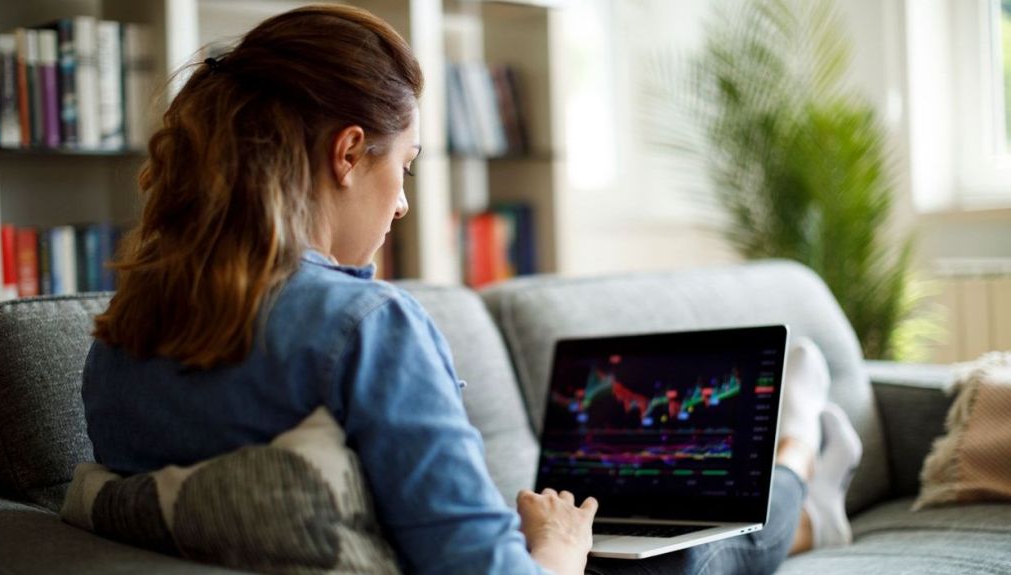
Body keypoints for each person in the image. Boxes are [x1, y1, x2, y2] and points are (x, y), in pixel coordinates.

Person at [81, 5, 861, 575]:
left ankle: (799, 489)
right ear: (348, 153)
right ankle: (798, 456)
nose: (402, 203)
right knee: (681, 560)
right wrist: (555, 545)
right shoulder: (365, 325)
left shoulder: (117, 343)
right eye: (405, 167)